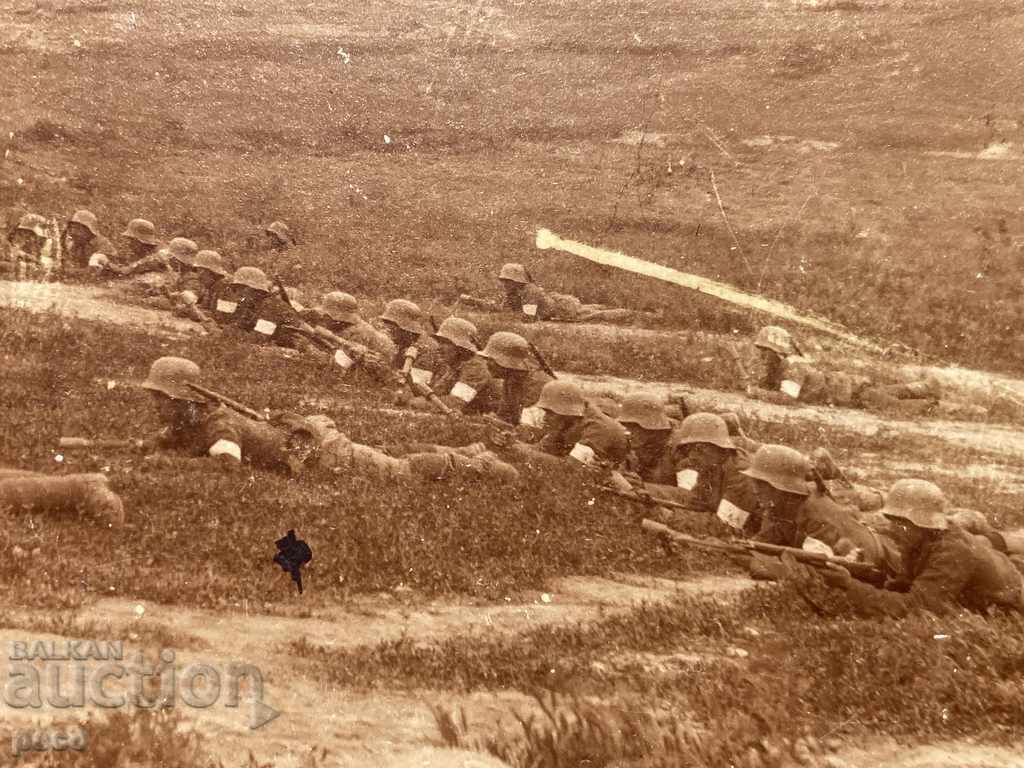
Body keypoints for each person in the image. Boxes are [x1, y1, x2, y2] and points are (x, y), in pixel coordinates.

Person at [138, 357, 518, 484]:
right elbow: (167, 439)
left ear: (182, 400)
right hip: (310, 442)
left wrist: (170, 463)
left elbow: (225, 465)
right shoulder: (191, 419)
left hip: (322, 453)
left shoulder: (220, 427)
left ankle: (476, 466)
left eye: (160, 398)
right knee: (381, 454)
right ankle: (469, 449)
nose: (155, 405)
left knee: (396, 470)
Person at [783, 480, 1024, 616]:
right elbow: (902, 587)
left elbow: (916, 608)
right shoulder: (921, 540)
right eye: (895, 522)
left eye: (902, 524)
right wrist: (856, 575)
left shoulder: (953, 551)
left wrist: (849, 585)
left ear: (922, 523)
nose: (895, 530)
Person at [741, 444, 901, 578]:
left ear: (782, 487)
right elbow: (762, 542)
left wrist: (764, 566)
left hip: (883, 563)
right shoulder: (781, 504)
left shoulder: (816, 518)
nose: (755, 490)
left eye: (762, 484)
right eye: (755, 483)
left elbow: (832, 571)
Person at [747, 325, 940, 413]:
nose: (762, 356)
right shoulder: (783, 365)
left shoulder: (794, 366)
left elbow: (787, 399)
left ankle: (929, 402)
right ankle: (926, 386)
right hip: (851, 389)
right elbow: (770, 386)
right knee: (891, 392)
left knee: (891, 405)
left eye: (766, 351)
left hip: (854, 392)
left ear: (778, 352)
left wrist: (756, 393)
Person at [460, 262, 638, 324]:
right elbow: (501, 309)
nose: (504, 284)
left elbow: (527, 318)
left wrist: (507, 316)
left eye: (507, 281)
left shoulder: (529, 291)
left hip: (564, 310)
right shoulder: (515, 292)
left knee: (599, 315)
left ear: (517, 281)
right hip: (557, 302)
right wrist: (475, 301)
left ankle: (637, 313)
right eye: (504, 280)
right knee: (595, 309)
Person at [516, 380, 629, 467]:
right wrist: (512, 444)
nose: (546, 418)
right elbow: (543, 449)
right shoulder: (568, 419)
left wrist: (518, 451)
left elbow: (571, 467)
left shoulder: (597, 428)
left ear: (566, 411)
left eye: (550, 413)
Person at [410, 317, 500, 415]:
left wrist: (418, 402)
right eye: (440, 342)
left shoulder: (476, 367)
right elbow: (437, 393)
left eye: (446, 343)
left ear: (460, 347)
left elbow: (455, 402)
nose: (439, 347)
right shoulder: (456, 365)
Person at [476, 331, 554, 427]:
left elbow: (531, 428)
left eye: (492, 360)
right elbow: (505, 416)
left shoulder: (538, 385)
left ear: (507, 363)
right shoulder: (511, 380)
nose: (487, 364)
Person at [377, 299, 441, 385]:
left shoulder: (427, 348)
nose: (387, 328)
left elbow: (418, 386)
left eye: (391, 324)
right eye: (386, 322)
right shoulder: (404, 342)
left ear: (405, 328)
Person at [617, 393, 676, 484]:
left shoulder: (676, 449)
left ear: (652, 429)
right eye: (625, 426)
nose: (628, 432)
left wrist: (644, 486)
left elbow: (685, 494)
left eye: (634, 427)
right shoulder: (632, 443)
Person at [3, 213, 59, 280]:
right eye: (21, 234)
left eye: (28, 235)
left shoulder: (45, 260)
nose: (24, 237)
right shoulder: (11, 251)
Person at [61, 209, 117, 274]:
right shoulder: (76, 245)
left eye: (78, 229)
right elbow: (71, 265)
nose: (73, 232)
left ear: (89, 230)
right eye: (72, 228)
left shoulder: (102, 244)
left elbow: (97, 270)